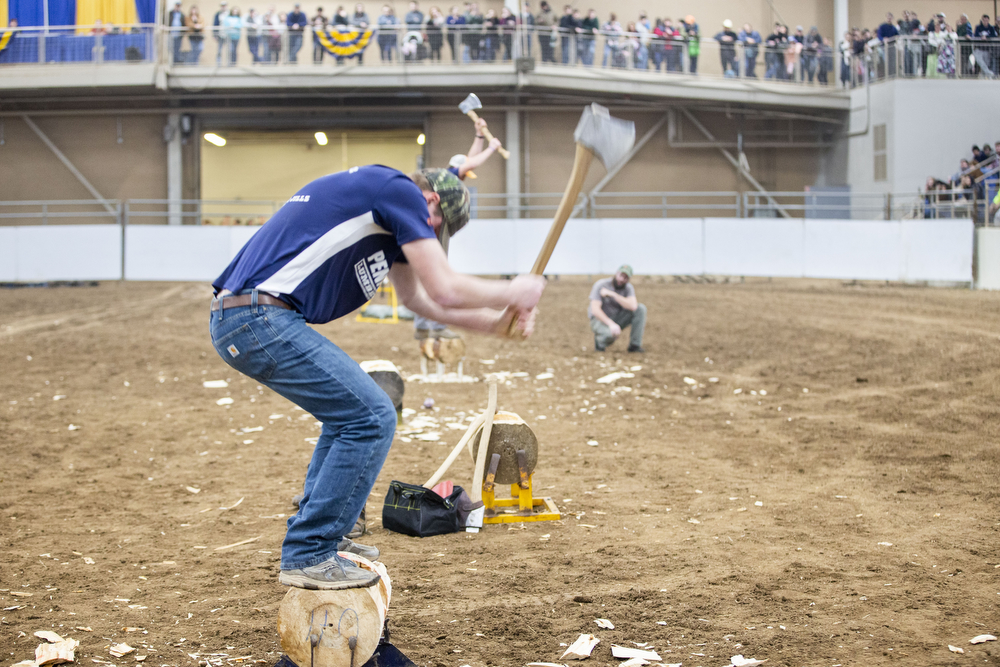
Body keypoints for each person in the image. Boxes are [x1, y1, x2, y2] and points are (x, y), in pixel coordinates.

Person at [210, 167, 543, 590]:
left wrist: (495, 325)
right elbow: (443, 288)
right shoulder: (398, 190)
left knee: (350, 415)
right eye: (436, 227)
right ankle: (310, 551)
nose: (429, 234)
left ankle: (332, 536)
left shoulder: (389, 213)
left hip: (250, 317)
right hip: (257, 316)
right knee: (372, 417)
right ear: (433, 203)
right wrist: (513, 291)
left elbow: (419, 300)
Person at [588, 264, 645, 353]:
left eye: (626, 278)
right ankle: (600, 342)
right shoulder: (601, 285)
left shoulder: (628, 287)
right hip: (599, 320)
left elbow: (633, 306)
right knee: (609, 335)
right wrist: (611, 324)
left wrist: (613, 294)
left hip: (616, 318)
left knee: (640, 309)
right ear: (616, 273)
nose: (622, 279)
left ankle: (634, 345)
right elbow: (595, 310)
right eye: (621, 276)